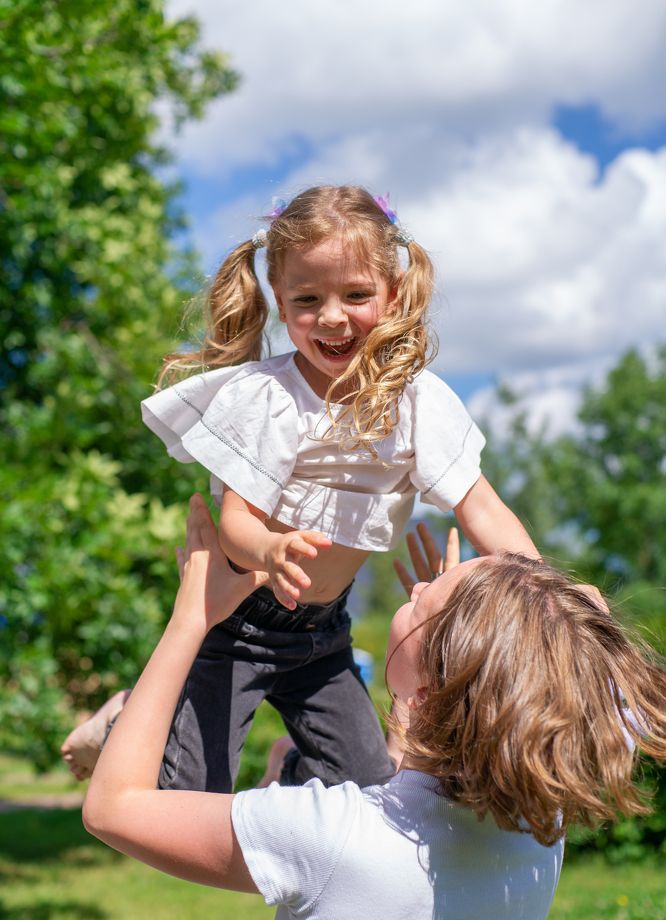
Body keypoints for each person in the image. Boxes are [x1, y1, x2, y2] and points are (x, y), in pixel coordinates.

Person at [83, 495, 666, 920]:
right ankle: (284, 762)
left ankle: (130, 723)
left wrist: (195, 616)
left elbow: (113, 807)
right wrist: (493, 627)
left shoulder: (331, 837)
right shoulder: (541, 826)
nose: (415, 586)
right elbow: (582, 639)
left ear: (435, 688)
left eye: (423, 601)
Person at [64, 184, 543, 790]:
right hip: (238, 623)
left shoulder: (418, 403)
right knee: (182, 794)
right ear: (282, 307)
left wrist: (551, 592)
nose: (334, 316)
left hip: (323, 635)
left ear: (393, 295)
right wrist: (269, 550)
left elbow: (483, 508)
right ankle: (126, 717)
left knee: (368, 788)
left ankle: (289, 769)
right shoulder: (271, 399)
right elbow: (237, 525)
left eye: (357, 294)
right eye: (308, 299)